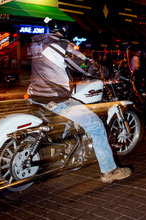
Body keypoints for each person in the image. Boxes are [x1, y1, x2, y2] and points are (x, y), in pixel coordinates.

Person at [27, 18, 132, 183]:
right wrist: (110, 74)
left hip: (36, 94)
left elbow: (50, 66)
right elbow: (85, 64)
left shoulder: (36, 44)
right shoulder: (60, 44)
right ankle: (110, 171)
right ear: (63, 28)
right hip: (55, 97)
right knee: (97, 127)